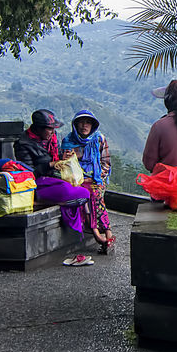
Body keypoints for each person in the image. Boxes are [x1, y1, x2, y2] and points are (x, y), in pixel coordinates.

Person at [14, 109, 90, 235]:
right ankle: (39, 201)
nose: (52, 132)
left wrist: (64, 157)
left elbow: (57, 156)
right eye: (49, 129)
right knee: (76, 191)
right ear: (38, 128)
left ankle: (60, 202)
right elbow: (29, 173)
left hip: (54, 178)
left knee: (83, 190)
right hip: (37, 184)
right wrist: (50, 165)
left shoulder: (51, 139)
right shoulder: (23, 143)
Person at [60, 109, 116, 254]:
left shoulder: (99, 139)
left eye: (88, 123)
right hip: (76, 180)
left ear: (93, 125)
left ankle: (103, 233)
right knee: (87, 193)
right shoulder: (68, 142)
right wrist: (68, 158)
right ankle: (100, 234)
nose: (85, 126)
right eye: (81, 122)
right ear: (75, 124)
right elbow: (64, 166)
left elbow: (106, 163)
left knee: (95, 193)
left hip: (96, 179)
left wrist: (97, 178)